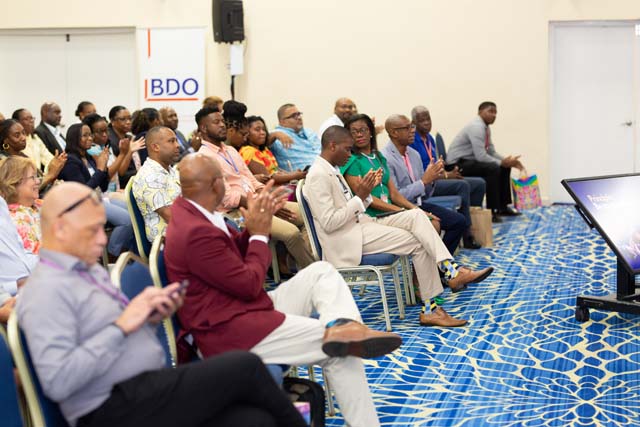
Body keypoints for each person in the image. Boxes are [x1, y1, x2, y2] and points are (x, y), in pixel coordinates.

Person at [17, 181, 308, 427]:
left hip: (143, 389)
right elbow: (58, 381)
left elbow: (108, 335)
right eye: (92, 231)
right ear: (61, 229)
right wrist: (122, 325)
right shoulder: (45, 291)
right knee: (246, 366)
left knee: (254, 420)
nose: (102, 240)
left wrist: (148, 317)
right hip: (109, 408)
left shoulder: (85, 268)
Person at [165, 153, 402, 427]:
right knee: (342, 351)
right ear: (216, 184)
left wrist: (253, 228)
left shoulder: (194, 211)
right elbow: (249, 284)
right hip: (228, 332)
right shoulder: (195, 231)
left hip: (242, 309)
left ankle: (343, 326)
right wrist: (259, 234)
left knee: (321, 272)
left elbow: (227, 260)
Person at [304, 126, 494, 327]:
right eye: (347, 149)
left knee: (416, 215)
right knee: (419, 242)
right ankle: (433, 305)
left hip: (360, 225)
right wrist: (359, 197)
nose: (350, 154)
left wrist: (365, 193)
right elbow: (329, 223)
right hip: (347, 239)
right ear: (332, 146)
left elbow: (351, 205)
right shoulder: (318, 175)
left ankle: (451, 270)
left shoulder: (331, 169)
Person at [196, 106, 314, 270]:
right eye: (216, 122)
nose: (222, 125)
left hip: (258, 202)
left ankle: (303, 267)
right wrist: (264, 205)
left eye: (222, 121)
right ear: (203, 128)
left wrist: (266, 198)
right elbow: (227, 198)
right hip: (238, 213)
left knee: (310, 214)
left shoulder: (230, 150)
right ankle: (313, 272)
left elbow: (252, 180)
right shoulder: (204, 157)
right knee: (291, 233)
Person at [377, 114, 468, 254]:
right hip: (400, 209)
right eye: (407, 128)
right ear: (394, 132)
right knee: (434, 224)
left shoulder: (414, 154)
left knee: (458, 222)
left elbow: (425, 195)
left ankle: (440, 263)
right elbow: (396, 196)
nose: (413, 130)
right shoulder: (385, 158)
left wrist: (432, 178)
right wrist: (424, 181)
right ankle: (439, 262)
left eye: (412, 126)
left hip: (418, 205)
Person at [410, 106, 485, 247]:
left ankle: (475, 225)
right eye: (422, 120)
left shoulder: (430, 139)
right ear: (413, 123)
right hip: (426, 185)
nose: (426, 123)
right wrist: (446, 176)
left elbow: (437, 164)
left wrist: (448, 173)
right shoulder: (412, 142)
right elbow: (421, 174)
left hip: (437, 179)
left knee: (479, 183)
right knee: (462, 186)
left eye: (428, 119)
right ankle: (467, 234)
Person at [59, 123, 134, 257]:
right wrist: (100, 169)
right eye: (85, 135)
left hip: (98, 198)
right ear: (75, 138)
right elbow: (83, 192)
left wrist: (103, 168)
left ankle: (131, 251)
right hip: (83, 205)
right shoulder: (70, 161)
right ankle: (113, 254)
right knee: (127, 221)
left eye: (90, 135)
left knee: (133, 211)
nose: (90, 138)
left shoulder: (88, 157)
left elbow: (102, 186)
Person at [446, 102, 524, 222]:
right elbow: (481, 156)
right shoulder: (476, 127)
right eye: (490, 111)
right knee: (493, 168)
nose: (494, 115)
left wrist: (505, 161)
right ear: (480, 112)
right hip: (455, 165)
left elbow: (491, 152)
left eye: (495, 112)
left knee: (503, 167)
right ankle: (492, 211)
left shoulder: (485, 127)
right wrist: (501, 163)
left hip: (468, 161)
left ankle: (502, 207)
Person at [131, 126, 182, 243]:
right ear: (155, 147)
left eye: (176, 140)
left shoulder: (170, 170)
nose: (177, 145)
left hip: (183, 232)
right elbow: (170, 216)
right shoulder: (149, 176)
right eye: (171, 141)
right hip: (169, 240)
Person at [83, 113, 145, 192]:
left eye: (106, 130)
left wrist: (129, 152)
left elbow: (120, 172)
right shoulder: (91, 151)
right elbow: (107, 175)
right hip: (103, 193)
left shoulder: (106, 146)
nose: (105, 134)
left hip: (115, 190)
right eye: (100, 132)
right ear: (91, 134)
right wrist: (122, 154)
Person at [0, 119, 66, 191]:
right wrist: (50, 175)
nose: (23, 138)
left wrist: (52, 171)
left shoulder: (23, 156)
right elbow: (23, 191)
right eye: (17, 135)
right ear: (5, 140)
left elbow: (39, 180)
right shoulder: (4, 162)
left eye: (23, 133)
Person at [241, 115, 307, 185]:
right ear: (247, 133)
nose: (262, 132)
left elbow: (275, 170)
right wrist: (294, 176)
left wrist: (292, 173)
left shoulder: (264, 150)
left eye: (263, 129)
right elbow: (268, 178)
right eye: (257, 130)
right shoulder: (248, 151)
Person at [0, 156, 43, 254]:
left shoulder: (39, 204)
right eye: (33, 177)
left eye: (37, 176)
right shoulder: (11, 221)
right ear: (14, 182)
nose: (38, 181)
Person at [0, 194, 37, 297]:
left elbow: (20, 250)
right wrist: (16, 285)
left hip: (31, 285)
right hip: (9, 298)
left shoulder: (1, 203)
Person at [270, 103, 321, 171]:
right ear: (282, 121)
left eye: (299, 114)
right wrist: (275, 134)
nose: (299, 118)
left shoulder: (309, 132)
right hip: (304, 174)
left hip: (325, 168)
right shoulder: (277, 135)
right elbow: (263, 144)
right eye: (294, 116)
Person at [12, 108, 57, 173]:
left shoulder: (35, 138)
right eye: (26, 119)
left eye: (32, 118)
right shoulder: (16, 141)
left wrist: (56, 162)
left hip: (39, 176)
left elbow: (48, 158)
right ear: (17, 123)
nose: (31, 121)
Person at [107, 105, 138, 188]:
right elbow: (120, 173)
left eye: (130, 118)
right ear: (112, 121)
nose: (128, 122)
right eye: (123, 119)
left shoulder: (129, 137)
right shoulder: (110, 140)